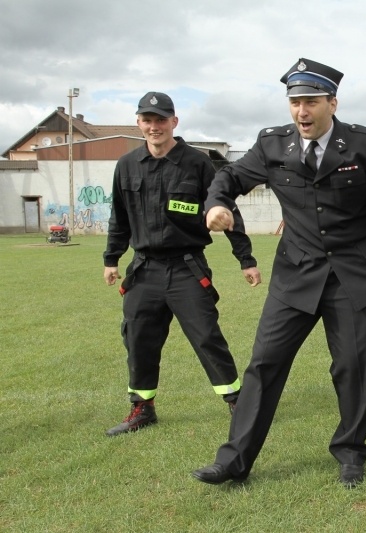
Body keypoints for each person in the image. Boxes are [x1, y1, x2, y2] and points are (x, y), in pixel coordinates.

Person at [191, 58, 366, 489]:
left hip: (353, 276)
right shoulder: (273, 145)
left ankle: (350, 452)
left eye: (310, 102)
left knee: (353, 366)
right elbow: (230, 176)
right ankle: (234, 461)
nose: (301, 112)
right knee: (264, 364)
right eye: (294, 102)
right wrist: (216, 204)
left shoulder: (364, 146)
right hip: (295, 275)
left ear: (332, 102)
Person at [103, 92, 261, 437]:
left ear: (174, 122)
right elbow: (119, 216)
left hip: (186, 268)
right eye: (148, 120)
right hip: (143, 270)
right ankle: (142, 407)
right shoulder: (127, 165)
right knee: (138, 339)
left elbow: (226, 210)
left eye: (161, 120)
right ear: (138, 122)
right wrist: (111, 258)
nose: (154, 126)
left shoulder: (197, 163)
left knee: (207, 337)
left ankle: (238, 403)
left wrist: (245, 259)